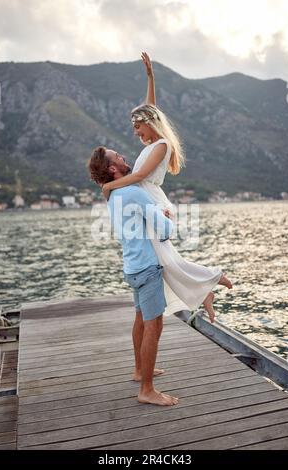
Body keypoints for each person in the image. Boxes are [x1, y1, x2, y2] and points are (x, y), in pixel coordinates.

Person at [100, 52, 233, 323]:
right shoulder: (153, 143)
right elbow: (151, 107)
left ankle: (211, 279)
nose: (136, 132)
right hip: (146, 198)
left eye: (139, 127)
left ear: (150, 125)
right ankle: (205, 289)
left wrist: (109, 186)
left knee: (165, 260)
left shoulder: (161, 146)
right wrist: (150, 77)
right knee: (164, 260)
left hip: (148, 197)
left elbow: (140, 176)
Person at [88, 147, 179, 406]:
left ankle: (139, 370)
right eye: (118, 157)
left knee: (140, 318)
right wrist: (167, 217)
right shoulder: (134, 193)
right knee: (154, 326)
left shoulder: (113, 194)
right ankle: (146, 389)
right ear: (113, 169)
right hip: (147, 267)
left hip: (132, 266)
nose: (124, 157)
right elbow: (164, 231)